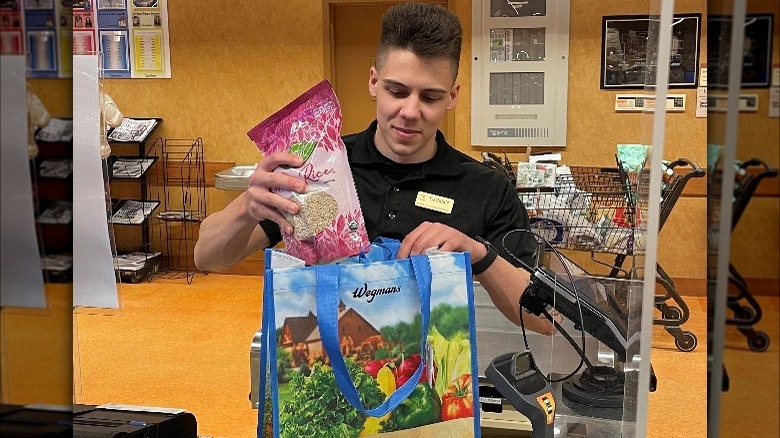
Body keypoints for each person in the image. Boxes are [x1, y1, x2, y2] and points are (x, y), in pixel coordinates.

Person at [194, 2, 554, 334]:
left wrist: (479, 254)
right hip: (324, 382)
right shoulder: (317, 168)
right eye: (397, 91)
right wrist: (247, 207)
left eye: (430, 97)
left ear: (453, 95)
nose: (411, 112)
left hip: (427, 391)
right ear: (373, 82)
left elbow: (546, 320)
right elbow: (207, 257)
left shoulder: (486, 189)